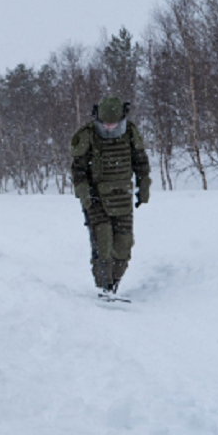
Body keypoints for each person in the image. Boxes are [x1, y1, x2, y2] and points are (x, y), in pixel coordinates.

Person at [70, 95, 151, 297]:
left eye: (113, 124)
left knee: (123, 246)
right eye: (105, 124)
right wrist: (85, 196)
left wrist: (144, 186)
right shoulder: (87, 136)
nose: (109, 128)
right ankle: (104, 287)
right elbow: (78, 170)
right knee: (102, 244)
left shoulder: (130, 133)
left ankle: (114, 283)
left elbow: (141, 162)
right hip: (96, 198)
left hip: (122, 196)